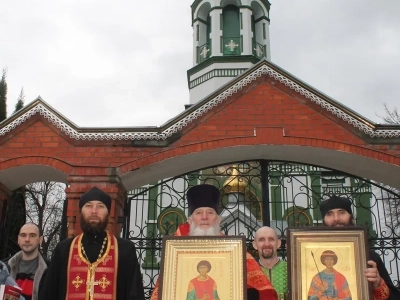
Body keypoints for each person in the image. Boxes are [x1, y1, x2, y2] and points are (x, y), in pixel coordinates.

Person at [150, 184, 278, 300]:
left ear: (218, 220)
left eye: (210, 212)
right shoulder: (176, 252)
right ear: (190, 220)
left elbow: (256, 288)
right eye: (199, 213)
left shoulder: (233, 251)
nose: (204, 217)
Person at [39, 186, 145, 300]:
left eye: (100, 206)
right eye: (88, 206)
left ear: (108, 213)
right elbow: (49, 293)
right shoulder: (64, 249)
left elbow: (134, 294)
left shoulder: (124, 249)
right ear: (80, 211)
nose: (94, 211)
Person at [320, 195, 400, 300]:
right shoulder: (309, 256)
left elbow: (394, 297)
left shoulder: (369, 257)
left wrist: (379, 284)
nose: (336, 218)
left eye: (342, 212)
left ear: (351, 217)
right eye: (330, 214)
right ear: (323, 220)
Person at [7, 223, 48, 300]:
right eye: (23, 235)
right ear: (18, 239)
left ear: (40, 240)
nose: (27, 239)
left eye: (32, 235)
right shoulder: (5, 267)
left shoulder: (50, 269)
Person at [253, 226, 288, 300]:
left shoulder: (290, 270)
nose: (267, 244)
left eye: (271, 239)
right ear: (255, 245)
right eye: (261, 240)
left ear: (278, 243)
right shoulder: (249, 272)